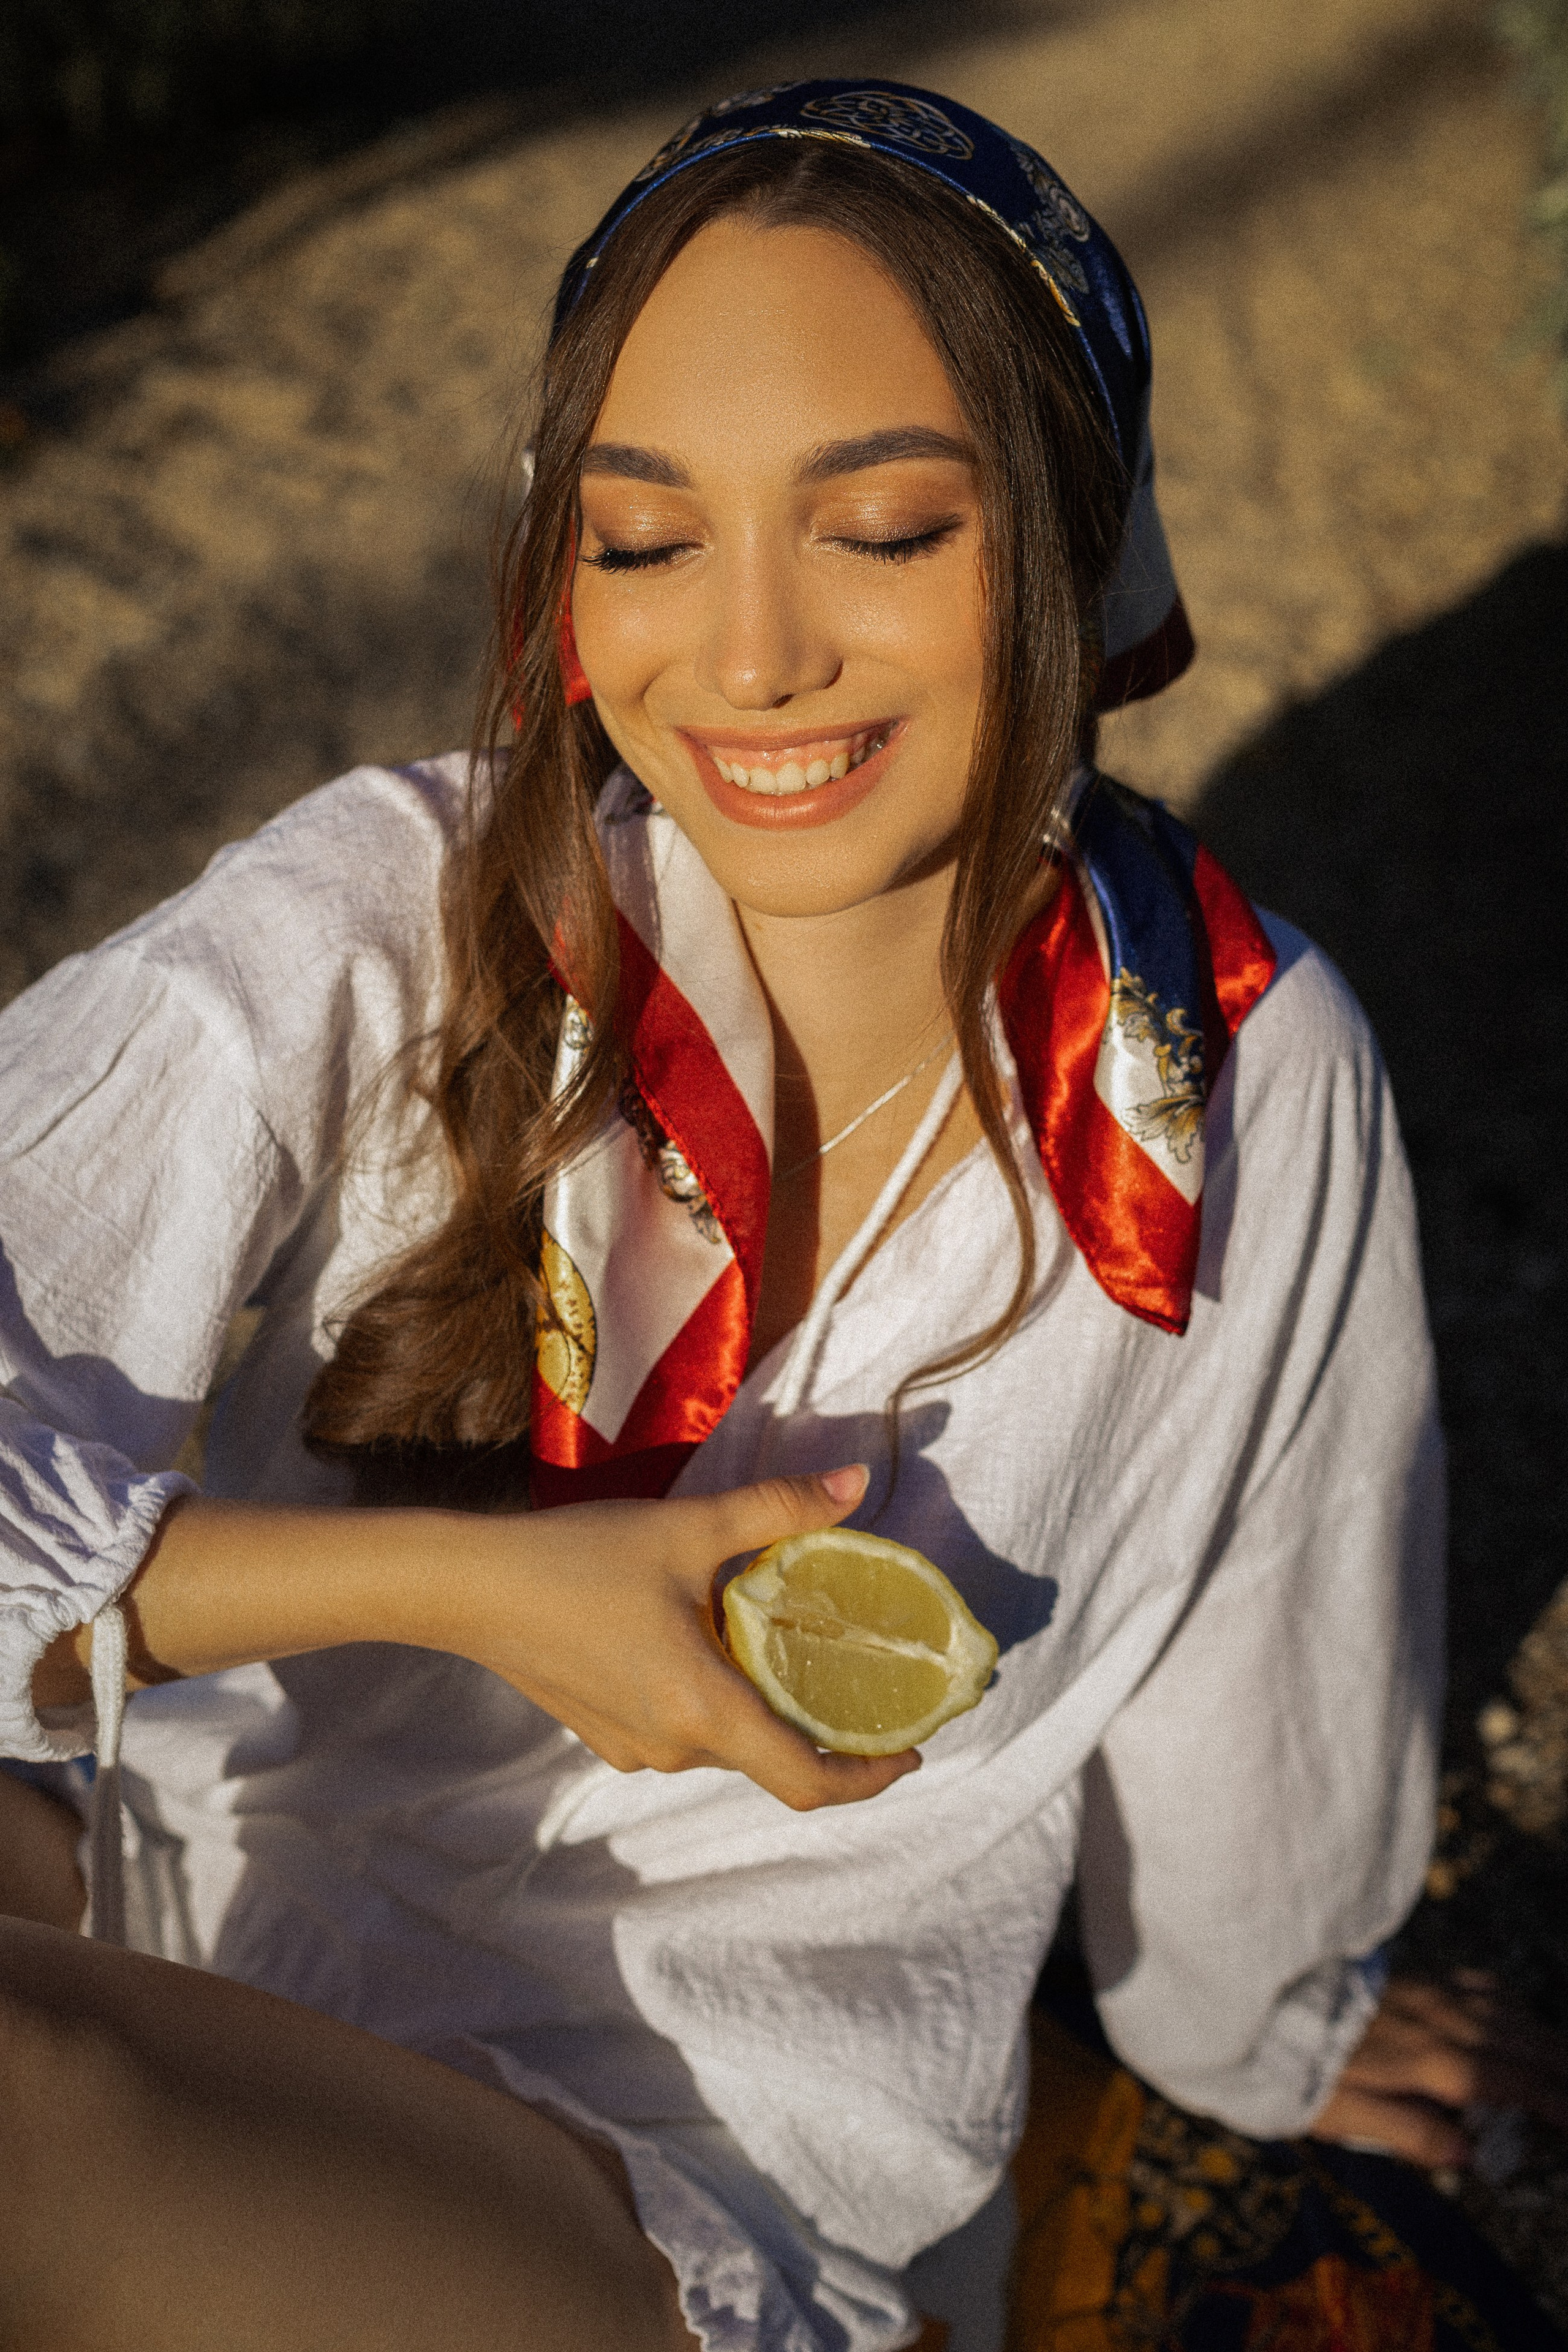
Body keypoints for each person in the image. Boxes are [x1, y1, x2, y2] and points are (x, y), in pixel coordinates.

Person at [1, 78, 1562, 2352]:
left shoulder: (1236, 1071)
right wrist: (463, 1586)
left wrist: (1263, 2033)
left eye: (886, 531)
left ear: (1064, 533)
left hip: (678, 2124)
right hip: (170, 1883)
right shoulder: (396, 922)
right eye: (644, 542)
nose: (747, 659)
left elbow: (1269, 1652)